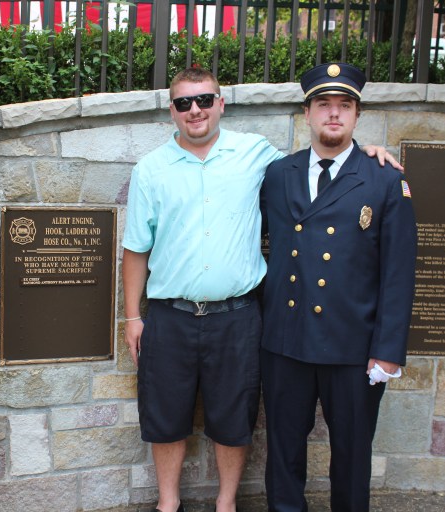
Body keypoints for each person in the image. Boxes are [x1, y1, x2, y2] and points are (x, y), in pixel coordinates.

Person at [122, 66, 399, 512]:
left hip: (241, 316)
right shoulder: (153, 169)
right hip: (174, 313)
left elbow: (328, 168)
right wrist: (133, 316)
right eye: (183, 103)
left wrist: (367, 156)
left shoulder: (257, 156)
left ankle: (227, 504)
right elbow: (135, 247)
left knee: (234, 420)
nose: (195, 110)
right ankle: (167, 504)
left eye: (205, 100)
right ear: (171, 110)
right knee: (166, 418)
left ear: (221, 103)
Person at [260, 63, 417, 512]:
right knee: (283, 452)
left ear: (357, 115)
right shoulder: (277, 175)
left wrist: (388, 351)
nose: (334, 114)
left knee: (351, 456)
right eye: (324, 105)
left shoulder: (384, 178)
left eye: (344, 105)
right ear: (306, 113)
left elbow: (399, 273)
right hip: (286, 342)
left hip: (353, 347)